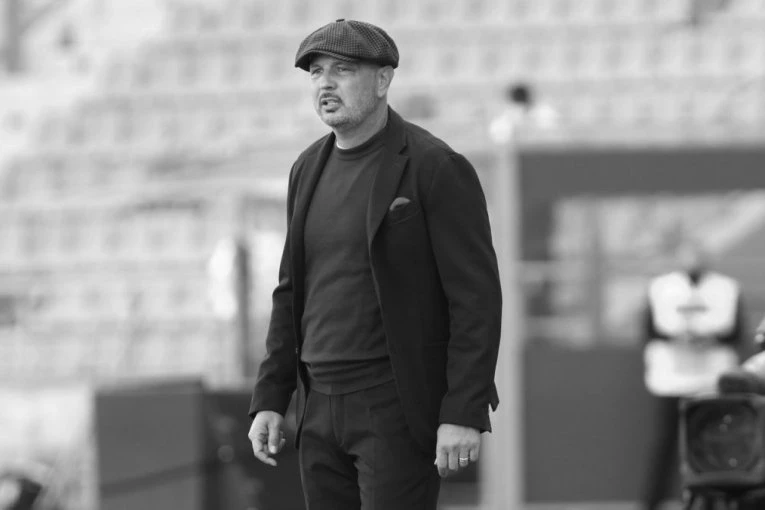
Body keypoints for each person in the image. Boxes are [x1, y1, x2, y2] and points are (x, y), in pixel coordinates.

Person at [246, 19, 502, 510]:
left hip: (395, 404)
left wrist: (463, 410)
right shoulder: (306, 169)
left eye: (342, 70)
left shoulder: (435, 166)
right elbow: (290, 291)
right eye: (316, 72)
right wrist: (271, 398)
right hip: (317, 404)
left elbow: (476, 300)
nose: (325, 83)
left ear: (383, 80)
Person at [641, 239, 745, 510]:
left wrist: (708, 339)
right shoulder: (661, 287)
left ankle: (716, 502)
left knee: (714, 446)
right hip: (672, 379)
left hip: (711, 380)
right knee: (666, 445)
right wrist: (679, 338)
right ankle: (652, 502)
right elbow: (650, 330)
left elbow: (735, 332)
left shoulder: (726, 288)